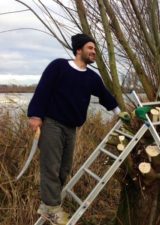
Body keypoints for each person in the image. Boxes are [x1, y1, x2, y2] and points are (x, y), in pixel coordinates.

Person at [27, 33, 121, 225]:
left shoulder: (91, 77)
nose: (94, 52)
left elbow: (104, 95)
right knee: (50, 167)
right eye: (90, 48)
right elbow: (43, 89)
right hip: (52, 123)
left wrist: (119, 112)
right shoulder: (59, 66)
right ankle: (52, 208)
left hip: (71, 128)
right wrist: (35, 115)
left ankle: (48, 205)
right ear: (79, 50)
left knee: (64, 169)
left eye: (94, 49)